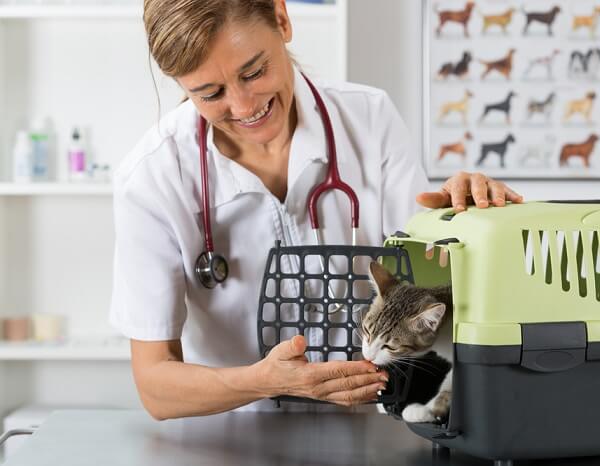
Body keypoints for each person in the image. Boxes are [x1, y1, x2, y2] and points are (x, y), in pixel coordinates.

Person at [110, 0, 523, 421]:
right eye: (209, 94)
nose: (243, 105)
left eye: (254, 71)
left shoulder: (369, 119)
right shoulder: (153, 176)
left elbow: (431, 277)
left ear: (282, 19)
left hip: (374, 424)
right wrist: (267, 381)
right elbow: (156, 387)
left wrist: (467, 215)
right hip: (229, 436)